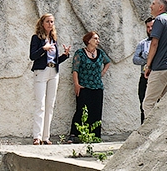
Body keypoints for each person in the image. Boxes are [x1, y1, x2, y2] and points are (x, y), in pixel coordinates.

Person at [28, 13, 71, 145]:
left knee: (50, 105)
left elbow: (55, 60)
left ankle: (46, 137)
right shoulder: (36, 38)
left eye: (52, 22)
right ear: (42, 23)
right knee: (40, 104)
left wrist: (65, 55)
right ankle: (37, 136)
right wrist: (43, 49)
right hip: (41, 71)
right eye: (47, 21)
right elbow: (32, 56)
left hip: (53, 71)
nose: (50, 24)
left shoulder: (53, 39)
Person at [68, 30, 110, 140]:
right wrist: (76, 84)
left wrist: (103, 72)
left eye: (98, 39)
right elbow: (75, 69)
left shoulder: (100, 53)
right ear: (88, 40)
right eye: (95, 38)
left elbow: (107, 62)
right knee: (81, 110)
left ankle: (94, 135)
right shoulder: (80, 53)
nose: (98, 41)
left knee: (96, 111)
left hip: (97, 86)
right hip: (84, 86)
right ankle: (74, 134)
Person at [131, 17, 154, 124]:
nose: (150, 29)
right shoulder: (142, 43)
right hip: (144, 76)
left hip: (157, 76)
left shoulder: (162, 42)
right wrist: (147, 58)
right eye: (148, 27)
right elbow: (135, 59)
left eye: (152, 27)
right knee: (143, 104)